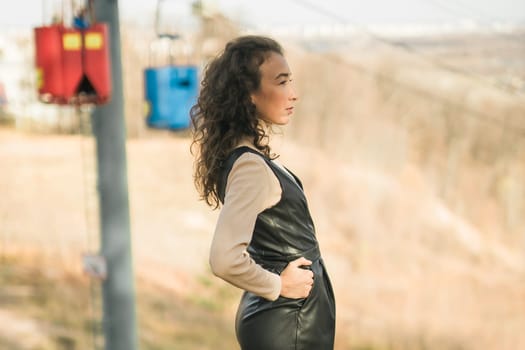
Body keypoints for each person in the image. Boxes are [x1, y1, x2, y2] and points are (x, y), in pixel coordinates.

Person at [190, 35, 336, 349]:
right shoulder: (249, 166)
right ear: (248, 94)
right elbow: (224, 258)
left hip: (287, 317)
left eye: (291, 82)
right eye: (281, 82)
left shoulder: (245, 156)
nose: (293, 94)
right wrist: (278, 284)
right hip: (287, 320)